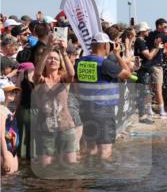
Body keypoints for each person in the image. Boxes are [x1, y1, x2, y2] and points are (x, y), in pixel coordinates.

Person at [74, 32, 133, 161]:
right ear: (105, 45)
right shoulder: (105, 64)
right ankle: (103, 177)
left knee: (91, 147)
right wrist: (117, 55)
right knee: (105, 150)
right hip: (103, 111)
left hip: (85, 109)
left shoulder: (80, 62)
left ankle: (90, 176)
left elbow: (76, 83)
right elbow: (127, 74)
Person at [32, 44, 80, 166]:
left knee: (70, 164)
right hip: (45, 128)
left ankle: (67, 185)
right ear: (45, 61)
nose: (52, 60)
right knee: (46, 166)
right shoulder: (40, 80)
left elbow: (71, 73)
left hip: (66, 127)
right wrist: (48, 49)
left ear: (60, 63)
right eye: (49, 58)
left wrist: (63, 52)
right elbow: (37, 74)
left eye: (56, 58)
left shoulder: (63, 80)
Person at [1, 78, 20, 174]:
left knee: (11, 181)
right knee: (5, 181)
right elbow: (1, 136)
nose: (13, 93)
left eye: (15, 91)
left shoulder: (6, 109)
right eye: (9, 91)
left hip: (11, 150)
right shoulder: (1, 111)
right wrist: (5, 157)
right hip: (5, 152)